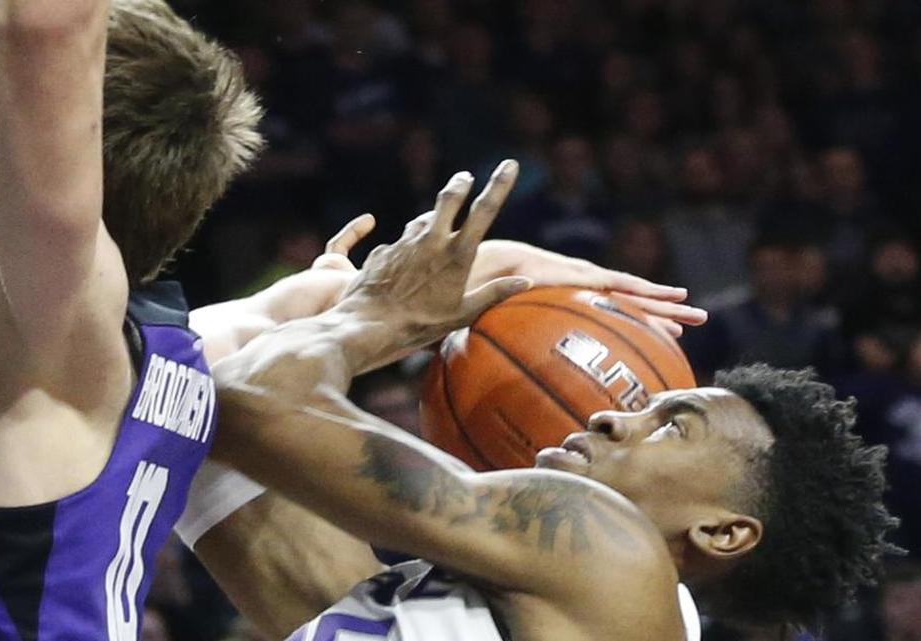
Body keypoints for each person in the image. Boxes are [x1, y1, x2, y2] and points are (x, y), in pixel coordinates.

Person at [0, 2, 705, 638]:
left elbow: (44, 28)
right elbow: (336, 303)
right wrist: (514, 267)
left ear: (0, 155)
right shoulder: (170, 357)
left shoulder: (44, 342)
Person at [203, 167, 901, 639]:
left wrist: (364, 318)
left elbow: (250, 399)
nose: (609, 414)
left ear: (723, 531)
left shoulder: (607, 544)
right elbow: (208, 396)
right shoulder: (527, 602)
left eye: (671, 425)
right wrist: (331, 305)